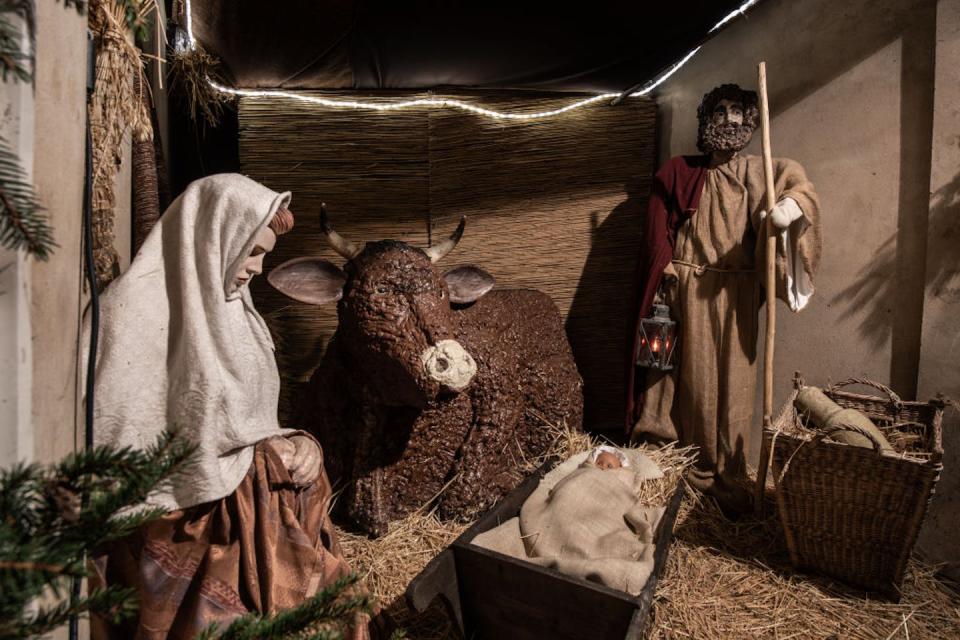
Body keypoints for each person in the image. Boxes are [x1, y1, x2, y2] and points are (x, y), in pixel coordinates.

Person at [85, 174, 367, 639]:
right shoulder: (130, 313)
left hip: (241, 497)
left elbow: (246, 422)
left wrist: (294, 443)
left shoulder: (237, 314)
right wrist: (253, 461)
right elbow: (123, 445)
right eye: (252, 251)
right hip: (180, 519)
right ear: (216, 235)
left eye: (264, 255)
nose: (257, 268)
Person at [626, 84, 822, 512]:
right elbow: (660, 233)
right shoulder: (683, 172)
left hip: (737, 295)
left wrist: (788, 209)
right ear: (706, 121)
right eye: (721, 111)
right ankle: (693, 465)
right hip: (690, 289)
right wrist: (667, 275)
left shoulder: (760, 170)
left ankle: (728, 472)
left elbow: (797, 183)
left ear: (751, 123)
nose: (731, 119)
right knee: (692, 379)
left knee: (735, 383)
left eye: (740, 112)